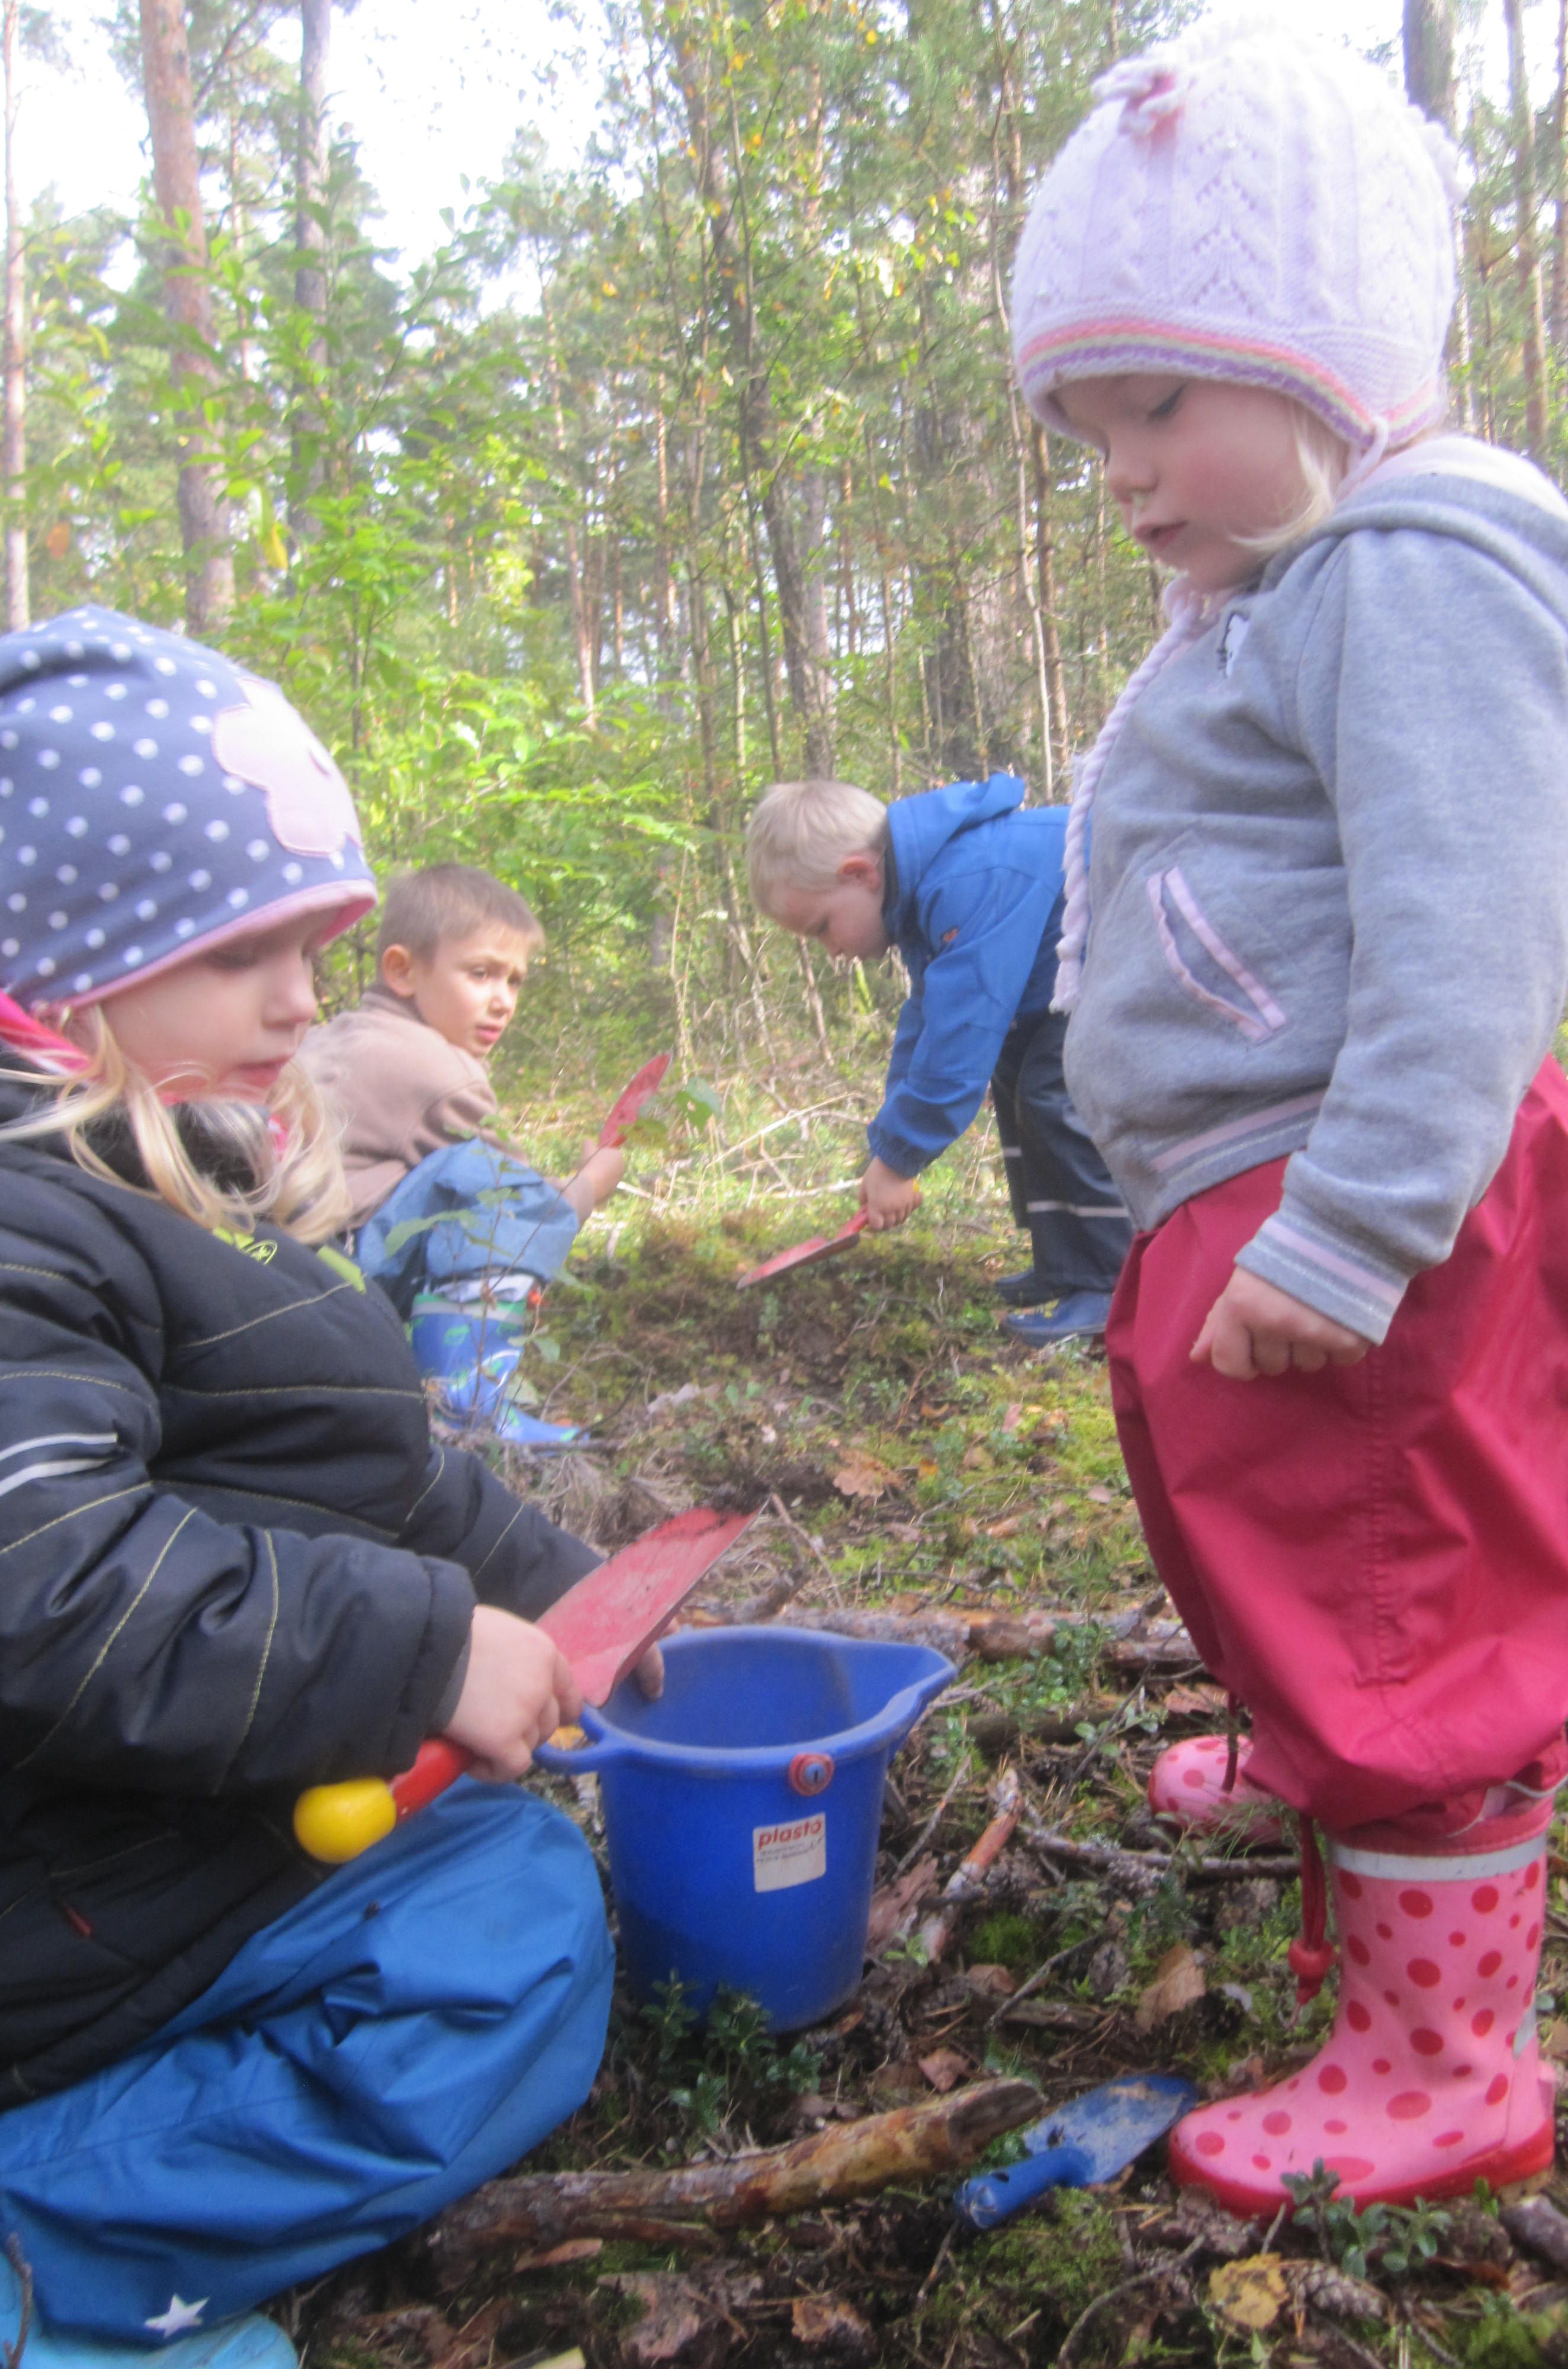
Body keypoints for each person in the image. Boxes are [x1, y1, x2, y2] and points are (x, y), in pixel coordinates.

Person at [1008, 21, 1568, 2211]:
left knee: (1396, 1582)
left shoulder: (1409, 577)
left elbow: (1464, 941)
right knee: (1276, 1524)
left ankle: (1442, 2062)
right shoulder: (1285, 588)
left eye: (1161, 402)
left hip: (1356, 1188)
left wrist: (1347, 1227)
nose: (1122, 469)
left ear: (1327, 365)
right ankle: (1313, 1751)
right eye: (1088, 428)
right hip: (1260, 1180)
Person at [0, 609, 631, 2363]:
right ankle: (44, 2245)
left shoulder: (184, 1198)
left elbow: (375, 1473)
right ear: (52, 970)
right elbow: (44, 1584)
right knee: (499, 1959)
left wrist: (574, 1593)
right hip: (63, 1904)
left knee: (513, 1898)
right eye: (237, 955)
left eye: (313, 947)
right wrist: (418, 1655)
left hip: (186, 1846)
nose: (298, 1000)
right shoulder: (26, 1231)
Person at [746, 775, 1132, 1342]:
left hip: (1132, 953)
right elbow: (927, 1021)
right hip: (1071, 976)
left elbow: (960, 1039)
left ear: (860, 874)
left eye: (822, 927)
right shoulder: (924, 896)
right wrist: (889, 1144)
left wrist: (901, 1160)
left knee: (1052, 1089)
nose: (832, 951)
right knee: (1015, 1073)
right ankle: (1067, 1263)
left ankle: (1113, 1280)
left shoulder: (965, 882)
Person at [300, 865, 625, 1443]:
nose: (503, 1001)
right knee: (480, 1182)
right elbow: (521, 1208)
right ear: (402, 970)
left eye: (515, 981)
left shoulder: (331, 1036)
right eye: (481, 973)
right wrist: (592, 1181)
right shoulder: (437, 1069)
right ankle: (465, 1411)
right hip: (332, 1292)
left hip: (272, 1278)